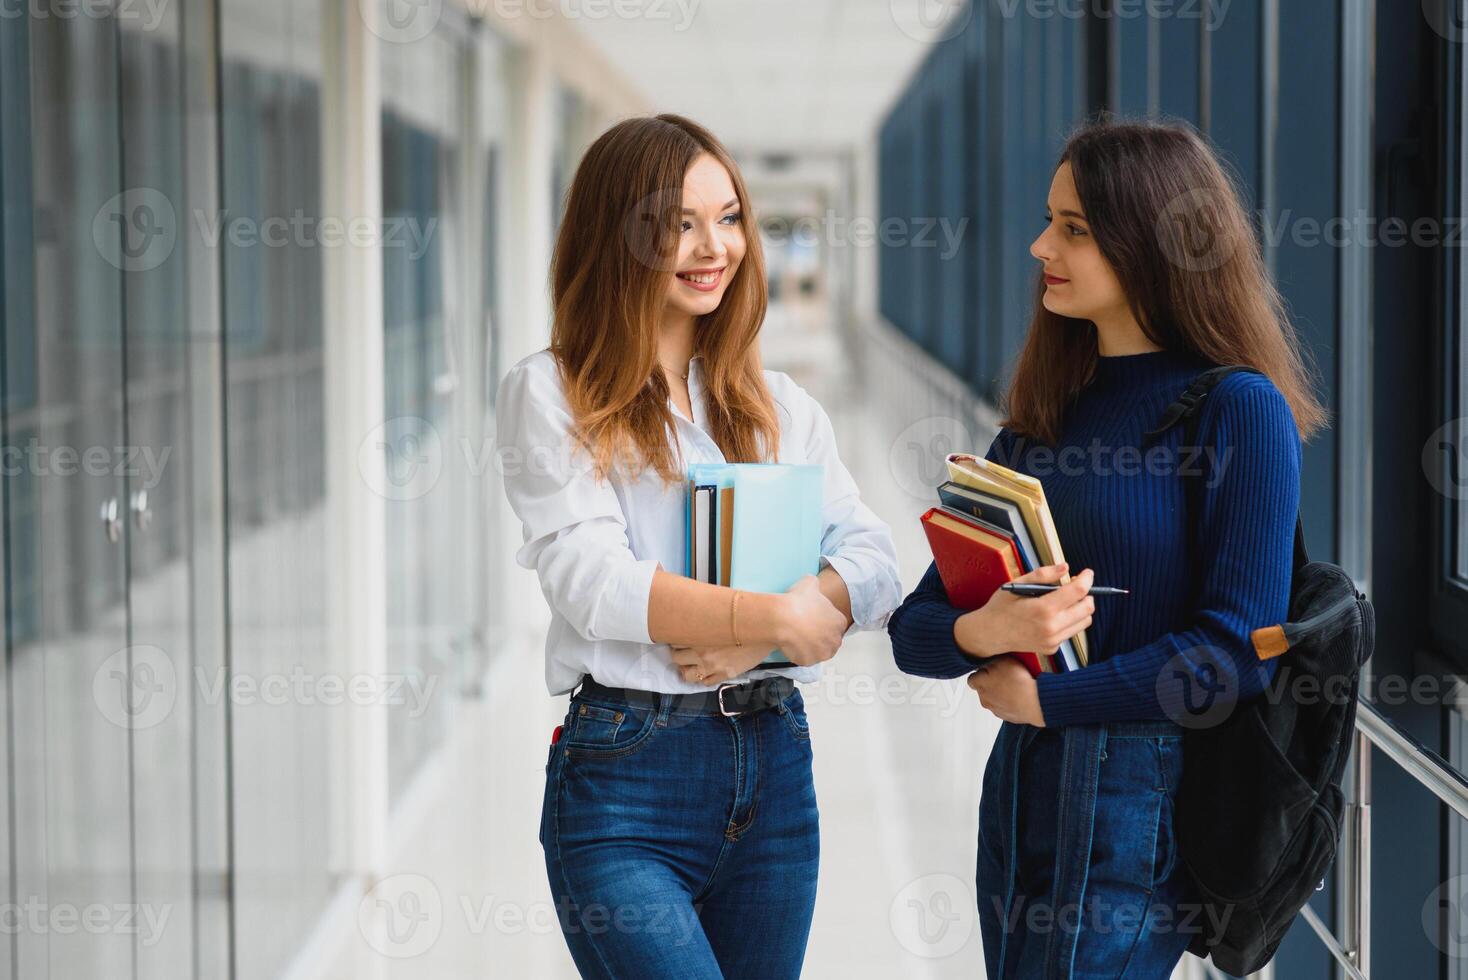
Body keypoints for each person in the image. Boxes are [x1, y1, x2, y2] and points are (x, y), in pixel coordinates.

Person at [887, 118, 1326, 978]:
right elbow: (914, 630)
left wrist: (1054, 701)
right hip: (1020, 787)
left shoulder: (1238, 411)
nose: (1039, 243)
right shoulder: (1042, 419)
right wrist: (993, 632)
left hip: (1139, 791)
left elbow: (1237, 650)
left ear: (1156, 244)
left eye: (1074, 229)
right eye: (1052, 219)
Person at [496, 113, 902, 979]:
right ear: (618, 235)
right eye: (679, 223)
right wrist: (776, 615)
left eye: (727, 218)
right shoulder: (550, 392)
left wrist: (768, 631)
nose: (711, 245)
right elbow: (591, 579)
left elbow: (873, 558)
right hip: (624, 777)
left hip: (776, 771)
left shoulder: (780, 406)